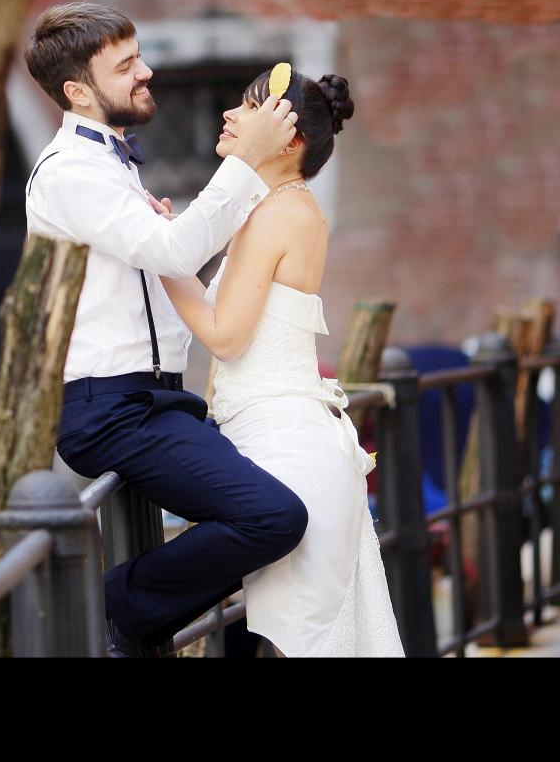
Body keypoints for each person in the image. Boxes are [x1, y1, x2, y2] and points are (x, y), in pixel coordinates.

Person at [24, 2, 308, 657]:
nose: (145, 72)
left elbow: (168, 258)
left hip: (156, 400)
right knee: (272, 517)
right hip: (109, 409)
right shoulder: (69, 172)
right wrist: (250, 162)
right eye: (125, 67)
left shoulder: (113, 163)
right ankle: (110, 612)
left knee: (286, 520)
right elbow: (178, 252)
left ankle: (134, 621)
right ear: (77, 91)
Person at [159, 67, 406, 656]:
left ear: (289, 139)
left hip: (286, 447)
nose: (230, 116)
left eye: (248, 108)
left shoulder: (279, 214)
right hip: (275, 441)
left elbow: (224, 335)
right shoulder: (276, 208)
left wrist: (159, 258)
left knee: (301, 639)